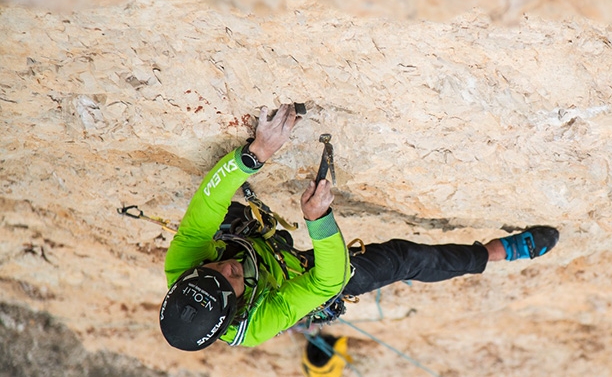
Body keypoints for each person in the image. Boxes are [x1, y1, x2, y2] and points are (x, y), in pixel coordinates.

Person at [160, 103, 560, 352]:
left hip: (246, 241)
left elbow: (205, 204)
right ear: (233, 311)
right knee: (405, 258)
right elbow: (325, 282)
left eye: (214, 269)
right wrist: (319, 222)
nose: (226, 268)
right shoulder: (255, 324)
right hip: (300, 279)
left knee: (223, 210)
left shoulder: (182, 267)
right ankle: (498, 251)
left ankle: (243, 205)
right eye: (230, 279)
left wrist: (255, 154)